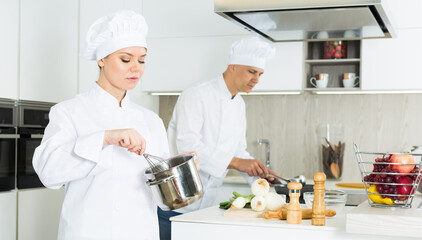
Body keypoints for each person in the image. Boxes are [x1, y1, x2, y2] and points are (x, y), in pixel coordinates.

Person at [33, 10, 169, 240]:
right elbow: (48, 173)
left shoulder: (151, 120)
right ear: (102, 59)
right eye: (126, 59)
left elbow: (163, 199)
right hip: (87, 232)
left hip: (140, 232)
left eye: (142, 59)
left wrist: (180, 173)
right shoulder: (69, 112)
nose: (136, 68)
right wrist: (104, 138)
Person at [159, 36, 278, 240]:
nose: (256, 79)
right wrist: (238, 163)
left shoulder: (239, 104)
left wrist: (259, 177)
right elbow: (188, 147)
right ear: (232, 66)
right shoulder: (197, 94)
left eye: (260, 74)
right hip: (175, 203)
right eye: (251, 71)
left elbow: (239, 151)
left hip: (205, 208)